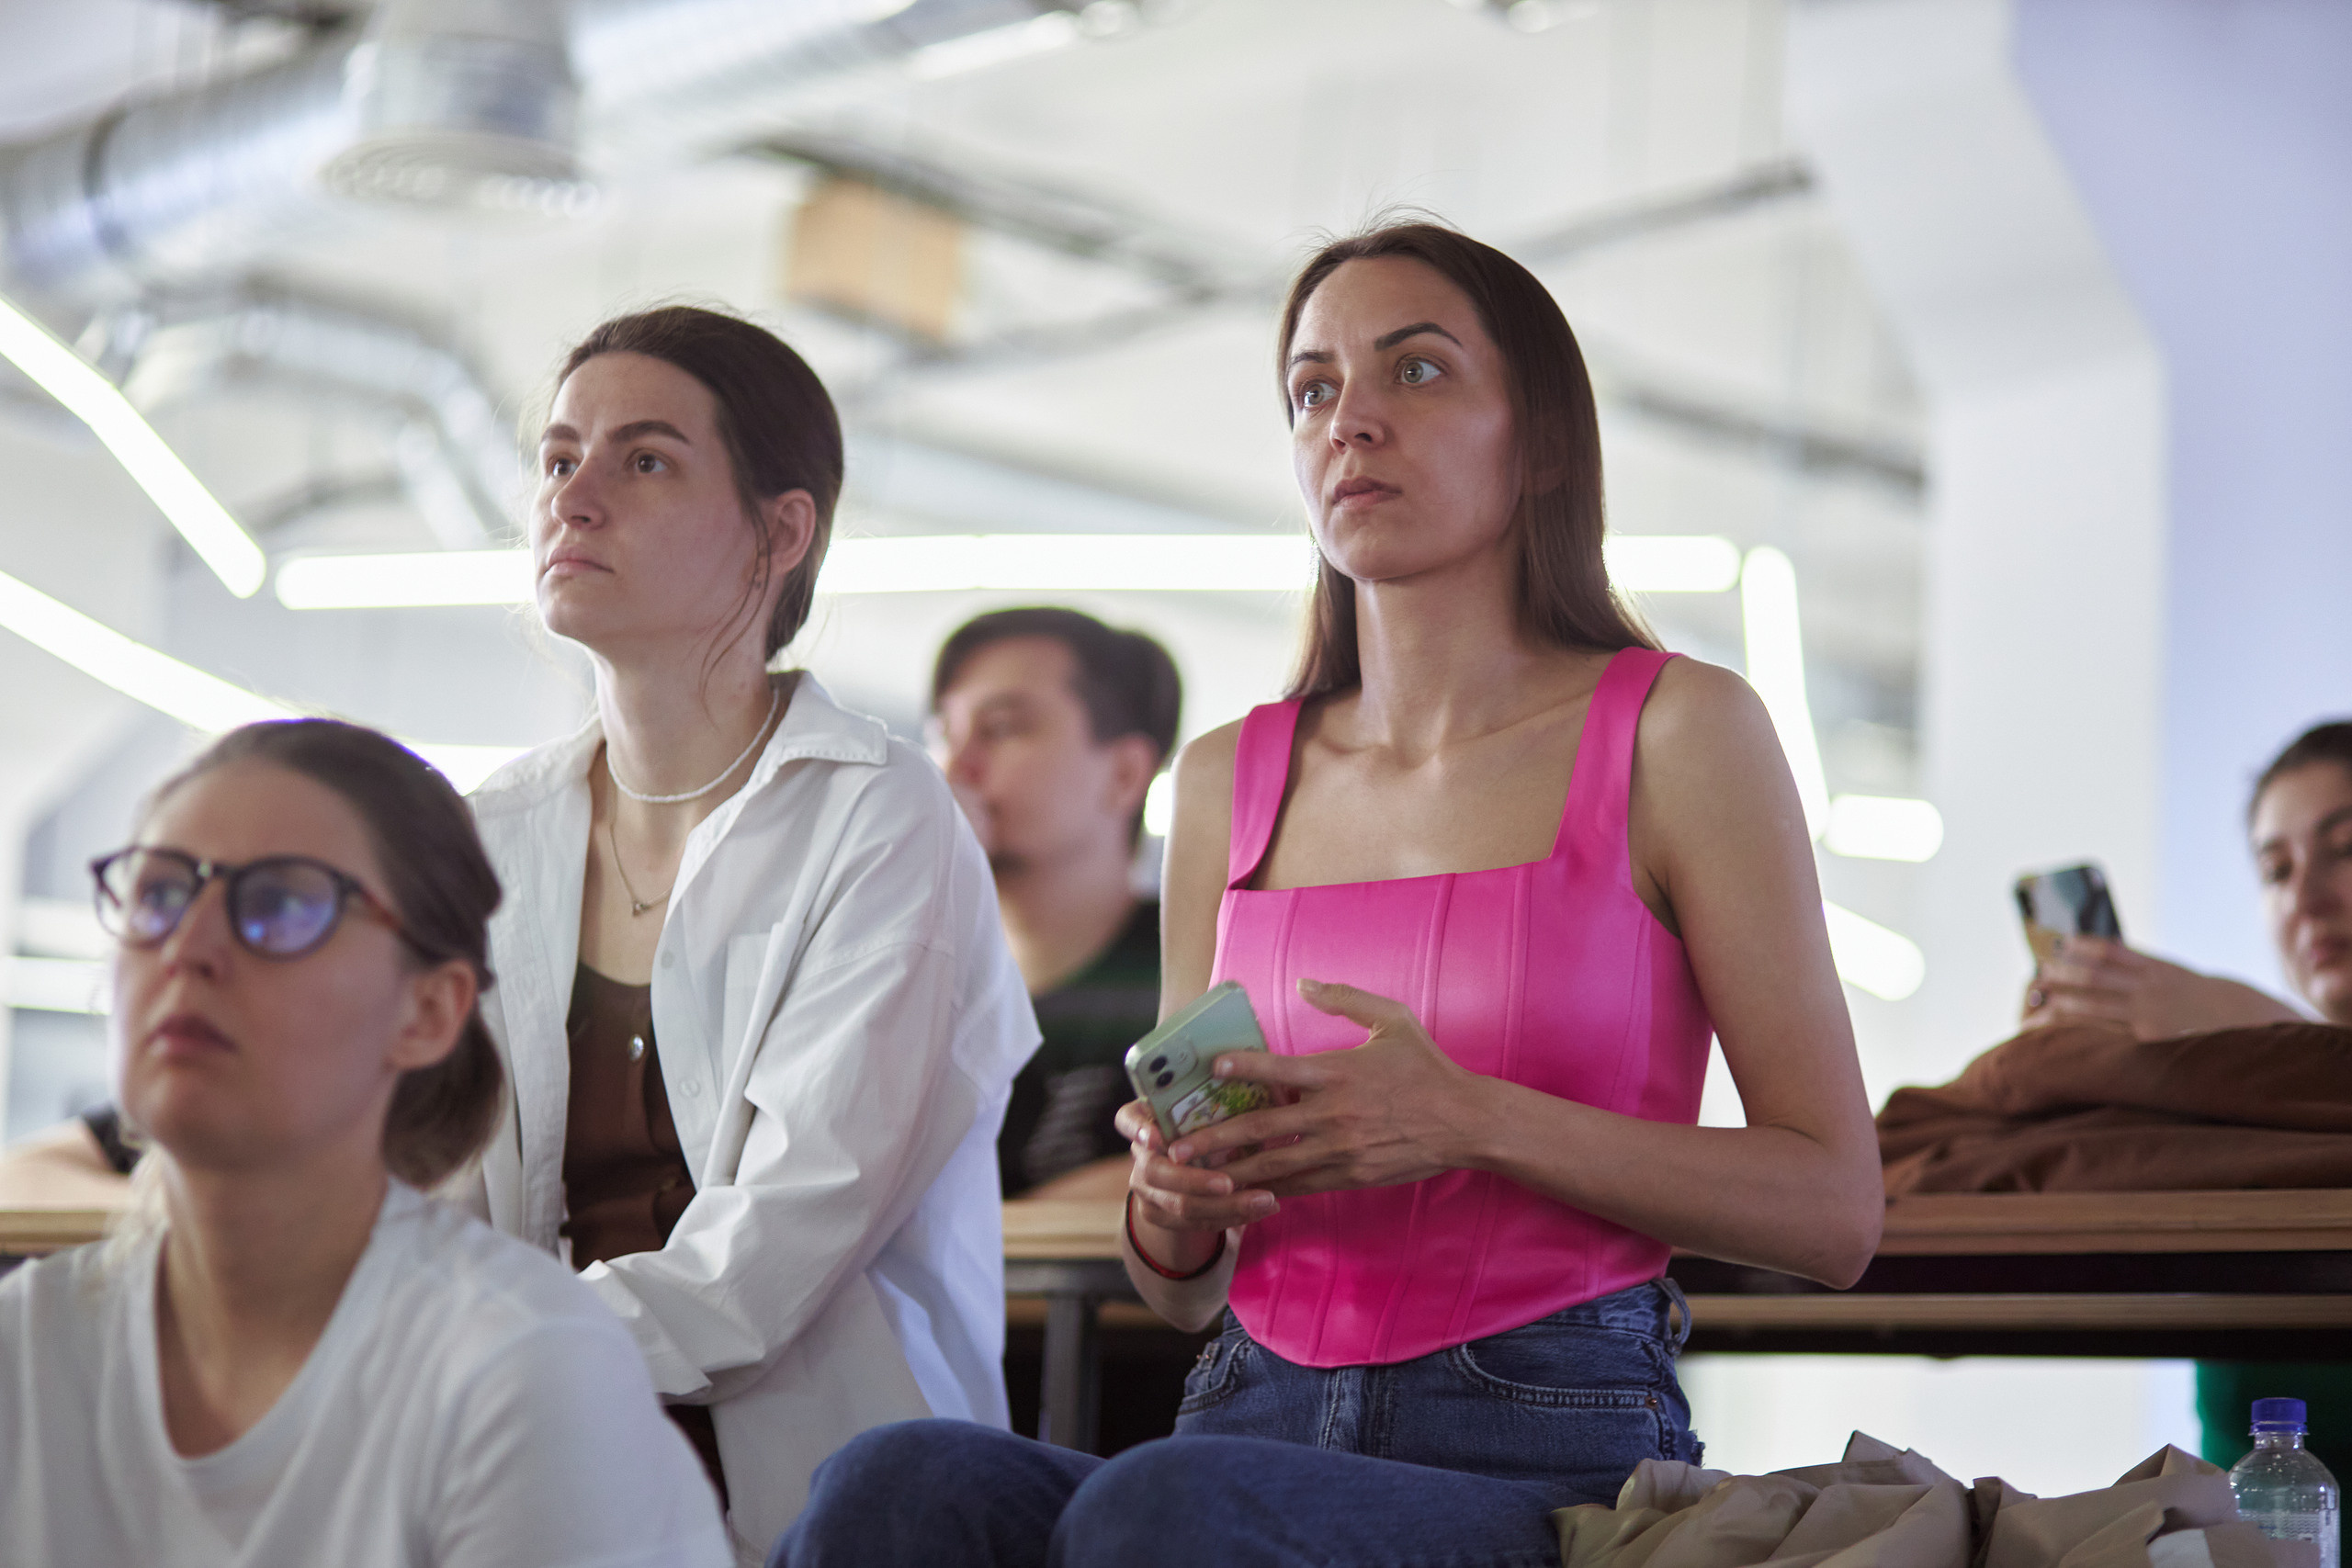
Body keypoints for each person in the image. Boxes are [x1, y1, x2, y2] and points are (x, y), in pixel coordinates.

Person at [776, 221, 1883, 1567]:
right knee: (889, 1485)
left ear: (1536, 442)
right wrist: (1173, 1201)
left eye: (1413, 373)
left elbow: (1834, 1208)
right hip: (1242, 1403)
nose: (1351, 420)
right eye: (1313, 390)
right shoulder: (1225, 778)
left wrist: (1468, 1116)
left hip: (1549, 1435)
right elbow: (1177, 1291)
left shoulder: (1680, 730)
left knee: (1160, 1510)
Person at [466, 305, 1037, 1559]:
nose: (577, 495)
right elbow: (432, 1205)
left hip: (835, 1501)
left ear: (781, 533)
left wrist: (469, 1355)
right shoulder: (487, 837)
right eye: (561, 457)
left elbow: (779, 1246)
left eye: (646, 458)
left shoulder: (880, 815)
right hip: (539, 1483)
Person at [0, 718, 729, 1568]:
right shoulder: (26, 1350)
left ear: (426, 1011)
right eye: (159, 894)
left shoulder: (527, 1374)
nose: (188, 949)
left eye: (281, 904)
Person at [2019, 720, 2352, 1480]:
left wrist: (2260, 1037)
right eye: (2275, 869)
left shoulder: (2236, 1052)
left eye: (2348, 848)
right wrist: (2080, 1075)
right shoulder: (2226, 1117)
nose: (2306, 896)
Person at [929, 607, 1181, 1201]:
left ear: (1123, 774)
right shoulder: (924, 977)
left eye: (1003, 727)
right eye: (944, 732)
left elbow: (1215, 1171)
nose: (956, 765)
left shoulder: (1192, 972)